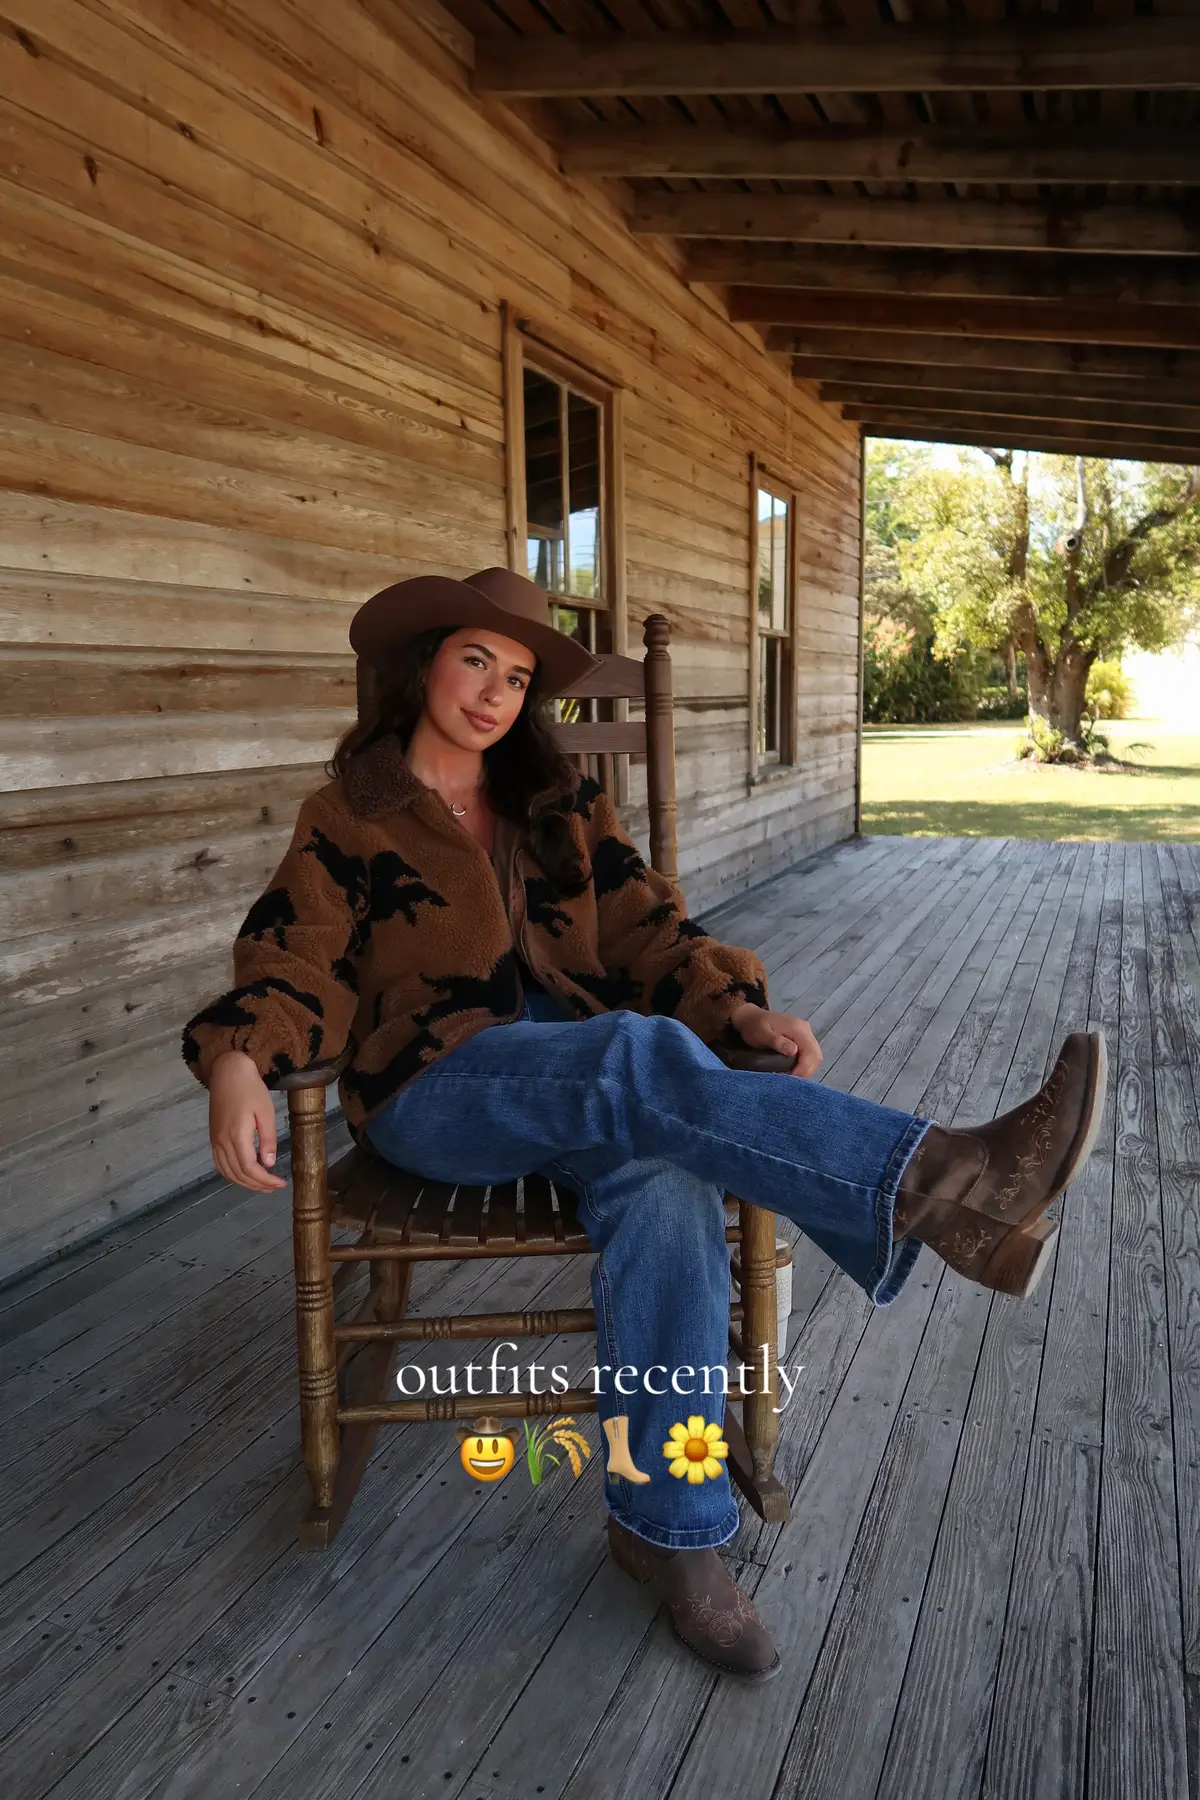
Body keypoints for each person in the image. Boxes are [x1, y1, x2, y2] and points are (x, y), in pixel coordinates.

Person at [181, 566, 1109, 1684]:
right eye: (475, 660)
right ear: (424, 662)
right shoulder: (350, 814)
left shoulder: (558, 805)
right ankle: (941, 1182)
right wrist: (239, 1057)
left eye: (518, 677)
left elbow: (651, 933)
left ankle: (674, 1537)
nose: (493, 693)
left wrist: (739, 1006)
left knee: (664, 1180)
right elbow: (294, 961)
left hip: (592, 1078)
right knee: (636, 1057)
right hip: (439, 1089)